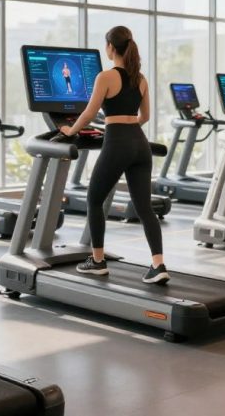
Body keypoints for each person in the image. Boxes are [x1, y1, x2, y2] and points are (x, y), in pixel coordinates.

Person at [59, 26, 169, 285]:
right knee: (145, 209)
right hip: (140, 144)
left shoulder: (105, 77)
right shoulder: (140, 78)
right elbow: (146, 117)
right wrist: (129, 130)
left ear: (110, 47)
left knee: (94, 199)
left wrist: (69, 130)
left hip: (117, 142)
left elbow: (88, 114)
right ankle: (158, 264)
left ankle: (97, 262)